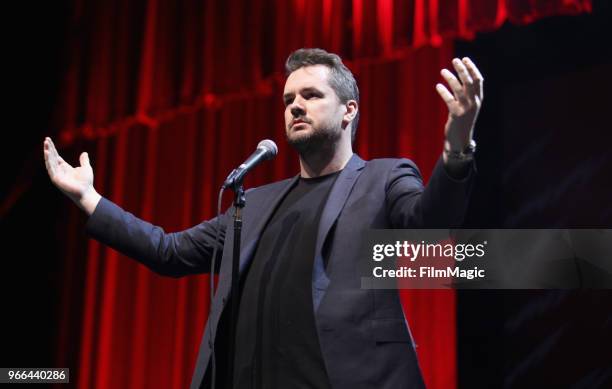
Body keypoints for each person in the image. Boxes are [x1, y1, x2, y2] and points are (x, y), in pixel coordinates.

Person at [44, 48, 483, 389]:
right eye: (289, 98)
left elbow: (431, 222)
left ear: (349, 110)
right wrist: (91, 199)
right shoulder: (250, 205)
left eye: (311, 96)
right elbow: (169, 250)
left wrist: (458, 143)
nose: (295, 106)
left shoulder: (383, 178)